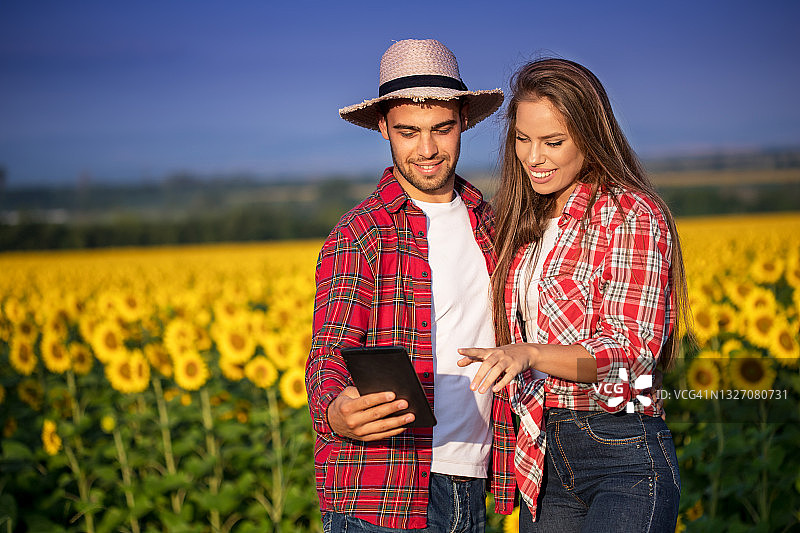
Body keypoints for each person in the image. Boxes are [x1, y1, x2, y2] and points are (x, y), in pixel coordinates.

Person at [458, 58, 687, 532]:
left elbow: (632, 356)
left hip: (621, 449)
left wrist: (531, 354)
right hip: (542, 455)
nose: (534, 157)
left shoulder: (630, 215)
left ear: (589, 135)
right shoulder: (519, 223)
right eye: (523, 139)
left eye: (553, 141)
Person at [305, 39, 516, 532]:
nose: (426, 150)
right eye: (408, 132)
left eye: (442, 129)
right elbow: (328, 353)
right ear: (383, 127)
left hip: (474, 479)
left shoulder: (493, 224)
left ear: (464, 120)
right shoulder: (359, 234)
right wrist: (335, 411)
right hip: (383, 488)